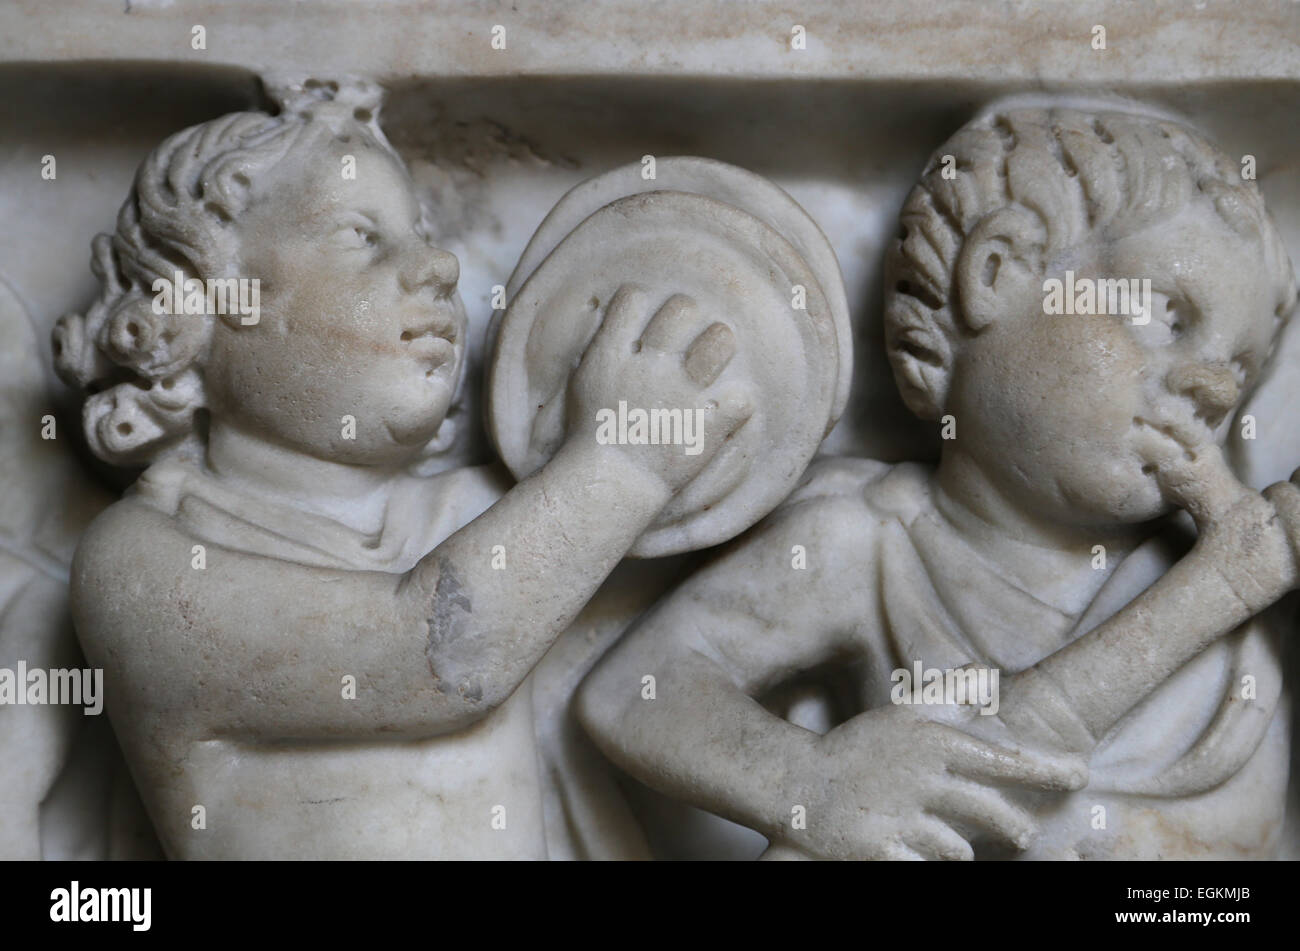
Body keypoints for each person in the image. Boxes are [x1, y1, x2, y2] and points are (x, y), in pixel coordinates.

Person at [577, 105, 1298, 860]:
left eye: (1243, 365)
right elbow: (636, 687)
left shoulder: (1240, 588)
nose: (1215, 384)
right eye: (1167, 313)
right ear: (997, 272)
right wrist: (809, 783)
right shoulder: (869, 540)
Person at [55, 78, 749, 859]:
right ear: (204, 301)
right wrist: (622, 464)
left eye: (422, 231)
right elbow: (430, 656)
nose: (438, 265)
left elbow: (709, 605)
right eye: (361, 235)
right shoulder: (143, 564)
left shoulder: (479, 509)